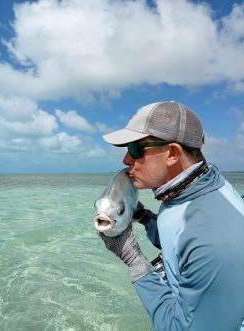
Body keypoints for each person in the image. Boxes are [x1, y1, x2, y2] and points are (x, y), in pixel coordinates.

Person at [99, 101, 244, 331]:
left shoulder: (214, 242)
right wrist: (146, 218)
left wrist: (133, 259)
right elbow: (180, 243)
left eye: (135, 149)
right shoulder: (195, 187)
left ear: (172, 153)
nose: (126, 160)